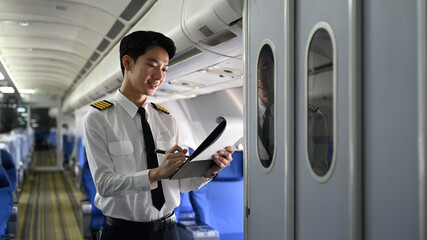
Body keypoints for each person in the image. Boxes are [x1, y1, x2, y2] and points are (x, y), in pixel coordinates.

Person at [83, 30, 234, 240]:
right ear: (127, 63)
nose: (159, 76)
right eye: (152, 65)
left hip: (169, 231)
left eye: (164, 68)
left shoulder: (167, 118)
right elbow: (105, 184)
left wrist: (209, 171)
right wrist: (156, 174)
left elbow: (181, 184)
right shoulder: (99, 118)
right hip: (123, 233)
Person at [257, 44, 274, 168]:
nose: (260, 78)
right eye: (255, 70)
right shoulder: (241, 117)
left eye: (266, 69)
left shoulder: (311, 118)